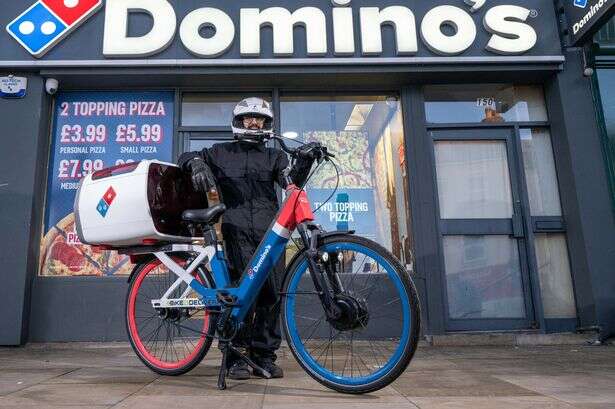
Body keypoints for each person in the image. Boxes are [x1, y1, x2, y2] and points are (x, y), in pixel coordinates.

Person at [178, 97, 320, 380]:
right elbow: (185, 157)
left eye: (260, 119)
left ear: (267, 124)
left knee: (271, 294)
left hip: (271, 233)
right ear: (238, 122)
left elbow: (291, 182)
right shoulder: (219, 152)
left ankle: (264, 356)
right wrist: (195, 163)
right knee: (240, 296)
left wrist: (305, 159)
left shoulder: (275, 156)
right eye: (248, 118)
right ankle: (235, 357)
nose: (254, 122)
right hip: (234, 230)